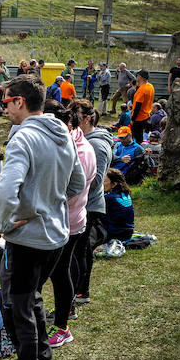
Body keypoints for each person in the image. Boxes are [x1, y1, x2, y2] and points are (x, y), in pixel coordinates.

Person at [0, 75, 86, 360]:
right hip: (57, 235)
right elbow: (76, 184)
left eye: (6, 101)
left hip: (29, 239)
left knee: (21, 308)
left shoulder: (23, 138)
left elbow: (7, 188)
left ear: (19, 101)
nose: (4, 108)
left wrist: (2, 224)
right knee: (32, 299)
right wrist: (47, 203)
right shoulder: (64, 134)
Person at [40, 100, 96, 349]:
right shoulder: (69, 144)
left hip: (67, 223)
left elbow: (70, 192)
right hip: (62, 220)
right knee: (57, 272)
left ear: (65, 124)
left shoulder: (80, 152)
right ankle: (61, 320)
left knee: (56, 273)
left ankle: (62, 325)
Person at [70, 99, 114, 306]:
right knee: (79, 251)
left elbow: (97, 180)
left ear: (87, 119)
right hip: (82, 204)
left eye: (76, 116)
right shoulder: (84, 140)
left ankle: (81, 291)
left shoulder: (96, 144)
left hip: (90, 206)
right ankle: (78, 290)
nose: (71, 120)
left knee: (82, 251)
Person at [102, 168, 135, 242]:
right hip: (128, 233)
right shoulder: (126, 194)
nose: (101, 183)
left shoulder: (109, 198)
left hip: (115, 235)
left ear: (114, 184)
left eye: (104, 181)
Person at [129, 69, 155, 144]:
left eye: (137, 76)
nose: (136, 77)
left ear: (140, 77)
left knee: (137, 140)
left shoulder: (142, 90)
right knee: (143, 139)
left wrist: (133, 119)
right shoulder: (150, 86)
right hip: (147, 116)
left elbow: (138, 106)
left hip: (139, 118)